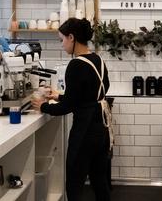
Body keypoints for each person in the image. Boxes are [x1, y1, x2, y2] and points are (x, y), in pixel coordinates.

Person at [31, 18, 113, 201]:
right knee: (99, 181)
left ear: (71, 37)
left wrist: (42, 106)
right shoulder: (97, 59)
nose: (62, 45)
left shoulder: (76, 65)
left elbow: (68, 107)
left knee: (74, 183)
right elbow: (91, 95)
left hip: (84, 131)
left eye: (62, 40)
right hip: (102, 129)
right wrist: (58, 96)